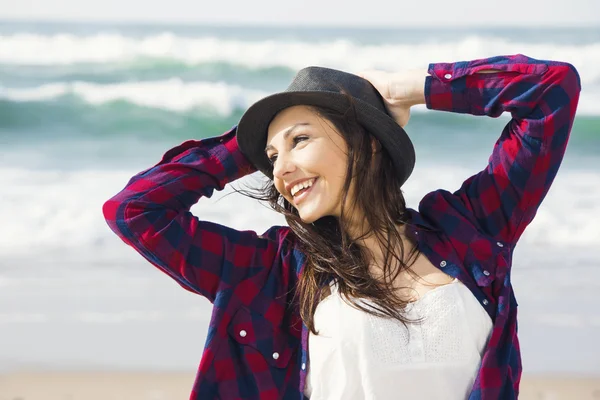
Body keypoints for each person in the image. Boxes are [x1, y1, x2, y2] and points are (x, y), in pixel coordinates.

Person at [103, 54, 581, 400]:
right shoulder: (267, 273)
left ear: (367, 145)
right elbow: (135, 209)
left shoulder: (471, 232)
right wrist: (246, 144)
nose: (279, 171)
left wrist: (407, 89)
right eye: (270, 158)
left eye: (301, 140)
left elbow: (550, 91)